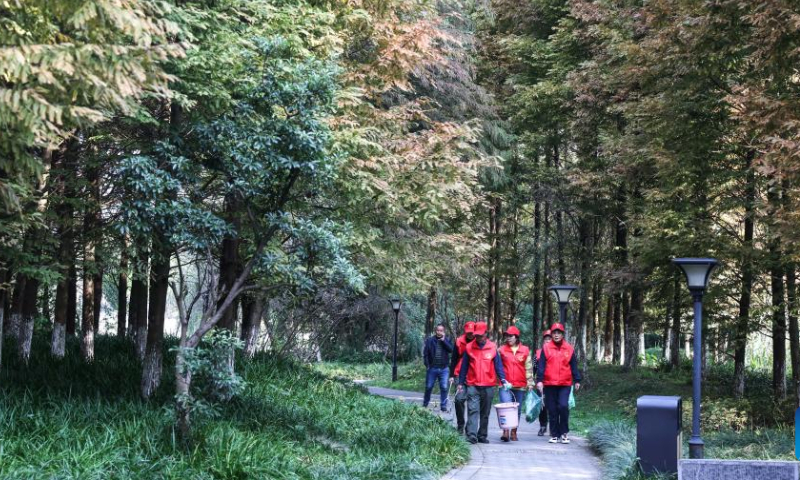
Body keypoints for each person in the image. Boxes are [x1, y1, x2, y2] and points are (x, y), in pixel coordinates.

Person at [458, 321, 511, 444]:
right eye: (476, 335)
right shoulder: (469, 347)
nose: (478, 338)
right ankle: (471, 435)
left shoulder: (492, 347)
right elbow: (464, 366)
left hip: (488, 385)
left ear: (486, 334)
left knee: (485, 412)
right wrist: (461, 383)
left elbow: (498, 366)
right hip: (473, 384)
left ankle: (482, 435)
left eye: (481, 335)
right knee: (472, 410)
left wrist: (503, 380)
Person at [536, 323, 581, 445]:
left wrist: (577, 380)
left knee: (563, 406)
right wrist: (539, 380)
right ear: (551, 334)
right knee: (552, 409)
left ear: (562, 334)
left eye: (558, 333)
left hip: (564, 383)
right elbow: (541, 366)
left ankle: (564, 432)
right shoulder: (546, 348)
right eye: (554, 333)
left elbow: (573, 365)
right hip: (549, 383)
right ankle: (555, 434)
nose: (556, 335)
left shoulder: (569, 348)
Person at [498, 325, 534, 442]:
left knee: (516, 410)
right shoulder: (501, 350)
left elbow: (528, 367)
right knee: (505, 407)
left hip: (520, 385)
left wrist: (530, 382)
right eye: (507, 336)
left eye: (511, 336)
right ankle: (505, 431)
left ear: (516, 337)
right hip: (505, 384)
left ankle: (514, 432)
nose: (508, 338)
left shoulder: (525, 350)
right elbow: (497, 367)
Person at [449, 321, 476, 434]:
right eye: (468, 332)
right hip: (459, 373)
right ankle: (460, 424)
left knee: (473, 403)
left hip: (474, 374)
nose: (470, 334)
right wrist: (451, 375)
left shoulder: (478, 341)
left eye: (472, 332)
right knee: (459, 399)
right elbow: (454, 358)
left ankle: (470, 428)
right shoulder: (459, 341)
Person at [423, 324, 453, 411]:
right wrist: (427, 365)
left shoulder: (447, 340)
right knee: (429, 387)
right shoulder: (430, 340)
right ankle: (425, 404)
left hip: (444, 368)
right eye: (438, 330)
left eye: (441, 330)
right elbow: (425, 354)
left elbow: (451, 350)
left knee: (444, 387)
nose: (439, 332)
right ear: (436, 331)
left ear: (443, 331)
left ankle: (443, 406)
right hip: (432, 368)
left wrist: (444, 341)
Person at [534, 329, 552, 436]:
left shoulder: (558, 352)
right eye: (546, 339)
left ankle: (554, 427)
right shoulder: (538, 353)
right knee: (542, 406)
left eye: (550, 339)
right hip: (541, 383)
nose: (548, 341)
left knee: (553, 405)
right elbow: (534, 368)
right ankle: (543, 426)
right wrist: (532, 381)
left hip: (554, 383)